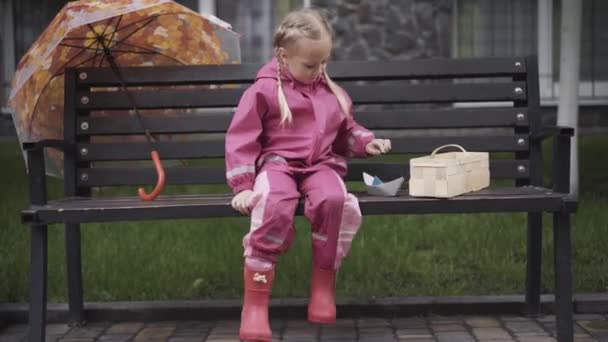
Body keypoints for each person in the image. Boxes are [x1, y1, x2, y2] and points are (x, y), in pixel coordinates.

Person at [224, 8, 392, 341]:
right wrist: (243, 186)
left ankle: (323, 286)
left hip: (321, 166)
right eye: (310, 65)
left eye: (324, 63)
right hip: (277, 165)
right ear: (283, 56)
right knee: (272, 201)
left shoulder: (329, 92)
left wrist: (365, 143)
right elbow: (241, 137)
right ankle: (255, 304)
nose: (318, 72)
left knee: (334, 199)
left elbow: (345, 130)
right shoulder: (263, 91)